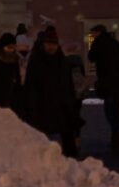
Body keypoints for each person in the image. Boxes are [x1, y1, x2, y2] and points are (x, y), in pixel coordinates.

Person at [23, 28, 78, 157]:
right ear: (43, 44)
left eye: (53, 44)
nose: (51, 47)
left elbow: (68, 87)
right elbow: (30, 88)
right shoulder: (36, 62)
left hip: (61, 110)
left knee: (63, 146)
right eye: (48, 44)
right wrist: (32, 110)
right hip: (42, 110)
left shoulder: (62, 62)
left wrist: (71, 107)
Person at [87, 24, 119, 151]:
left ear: (98, 33)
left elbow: (91, 57)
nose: (92, 36)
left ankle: (116, 132)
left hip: (107, 82)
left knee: (109, 110)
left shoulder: (99, 43)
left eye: (93, 33)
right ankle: (116, 134)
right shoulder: (116, 44)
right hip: (118, 82)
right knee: (114, 107)